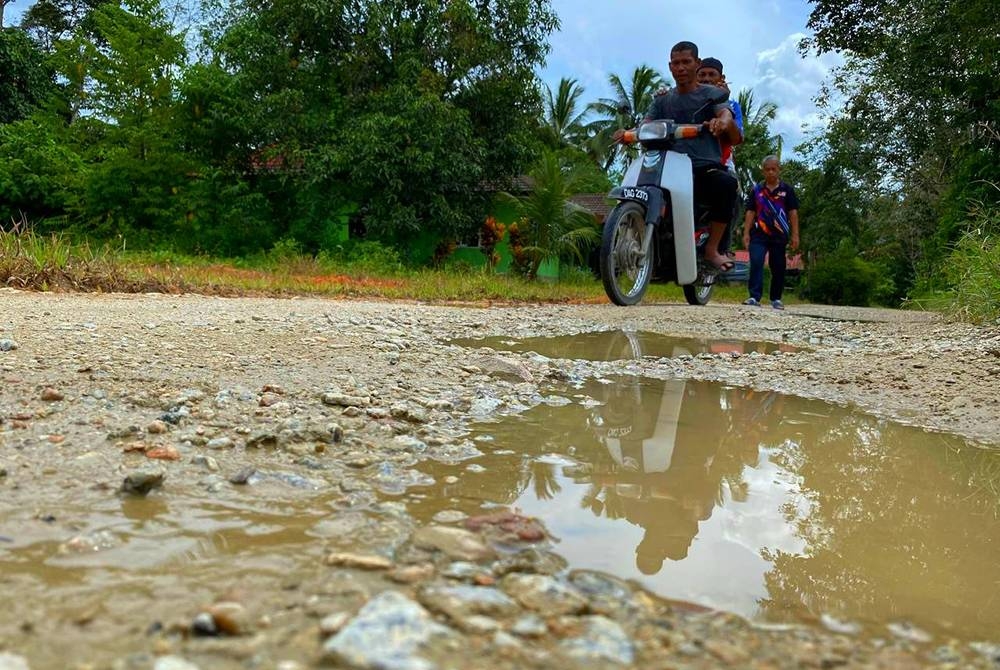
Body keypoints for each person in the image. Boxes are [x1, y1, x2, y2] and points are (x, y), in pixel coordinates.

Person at [613, 41, 741, 273]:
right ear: (670, 66)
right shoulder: (662, 99)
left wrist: (722, 121)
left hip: (702, 166)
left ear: (696, 63)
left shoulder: (712, 94)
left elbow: (725, 113)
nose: (681, 68)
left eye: (686, 62)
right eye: (676, 63)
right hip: (666, 165)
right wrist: (628, 133)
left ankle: (712, 249)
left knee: (726, 184)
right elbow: (646, 124)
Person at [694, 57, 743, 256]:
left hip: (719, 163)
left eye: (711, 74)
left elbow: (736, 138)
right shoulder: (686, 99)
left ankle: (720, 249)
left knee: (731, 189)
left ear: (721, 78)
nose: (706, 78)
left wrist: (724, 117)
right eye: (702, 74)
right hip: (685, 161)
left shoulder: (731, 105)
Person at [741, 155, 800, 309]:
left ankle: (776, 298)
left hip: (779, 235)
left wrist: (795, 235)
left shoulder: (787, 190)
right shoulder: (756, 190)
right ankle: (754, 296)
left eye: (774, 169)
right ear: (763, 171)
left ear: (779, 170)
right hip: (758, 234)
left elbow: (793, 212)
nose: (771, 172)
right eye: (767, 169)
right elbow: (750, 211)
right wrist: (746, 233)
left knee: (778, 266)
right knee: (756, 261)